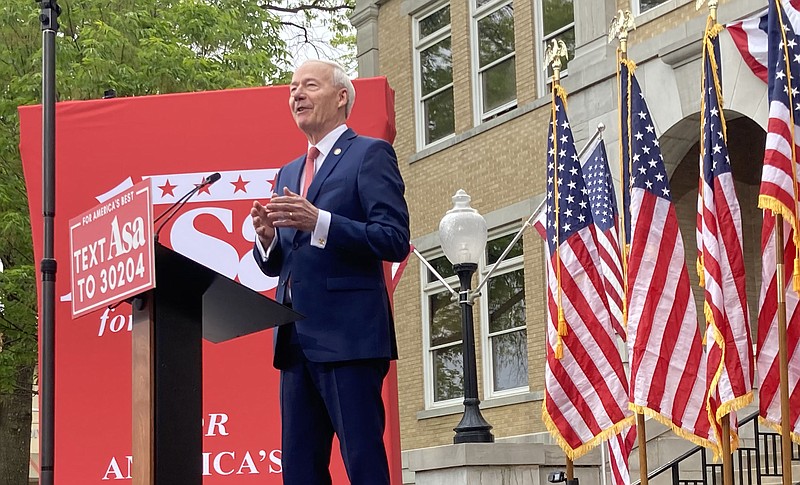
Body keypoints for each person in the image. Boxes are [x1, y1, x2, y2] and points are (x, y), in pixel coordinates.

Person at [250, 59, 410, 485]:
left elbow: (394, 238)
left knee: (364, 465)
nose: (295, 95)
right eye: (291, 88)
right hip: (294, 342)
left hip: (350, 339)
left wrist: (320, 220)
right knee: (299, 471)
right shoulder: (288, 171)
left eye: (308, 86)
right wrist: (267, 238)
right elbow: (283, 258)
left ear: (342, 97)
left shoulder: (370, 153)